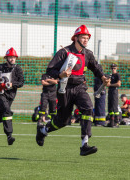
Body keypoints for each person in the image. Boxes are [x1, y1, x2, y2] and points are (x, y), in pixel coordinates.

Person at [35, 25, 109, 156]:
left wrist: (103, 77)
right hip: (65, 89)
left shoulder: (88, 54)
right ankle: (43, 130)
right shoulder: (64, 52)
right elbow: (50, 70)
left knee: (88, 108)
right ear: (76, 38)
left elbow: (96, 68)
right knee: (62, 121)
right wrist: (60, 75)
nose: (86, 40)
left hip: (80, 88)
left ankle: (84, 145)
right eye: (83, 37)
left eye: (87, 38)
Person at [0, 47, 24, 145]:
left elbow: (21, 82)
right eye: (10, 57)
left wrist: (12, 84)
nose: (12, 59)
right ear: (6, 58)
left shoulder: (18, 69)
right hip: (0, 93)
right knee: (7, 111)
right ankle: (9, 136)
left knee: (2, 116)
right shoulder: (0, 67)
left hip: (11, 95)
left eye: (14, 57)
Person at [107, 63, 121, 127]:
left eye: (114, 68)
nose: (113, 69)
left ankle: (116, 122)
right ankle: (111, 122)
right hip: (110, 91)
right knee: (110, 107)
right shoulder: (110, 75)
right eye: (112, 68)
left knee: (114, 107)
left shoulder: (117, 75)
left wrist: (110, 85)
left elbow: (118, 84)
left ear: (116, 68)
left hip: (114, 91)